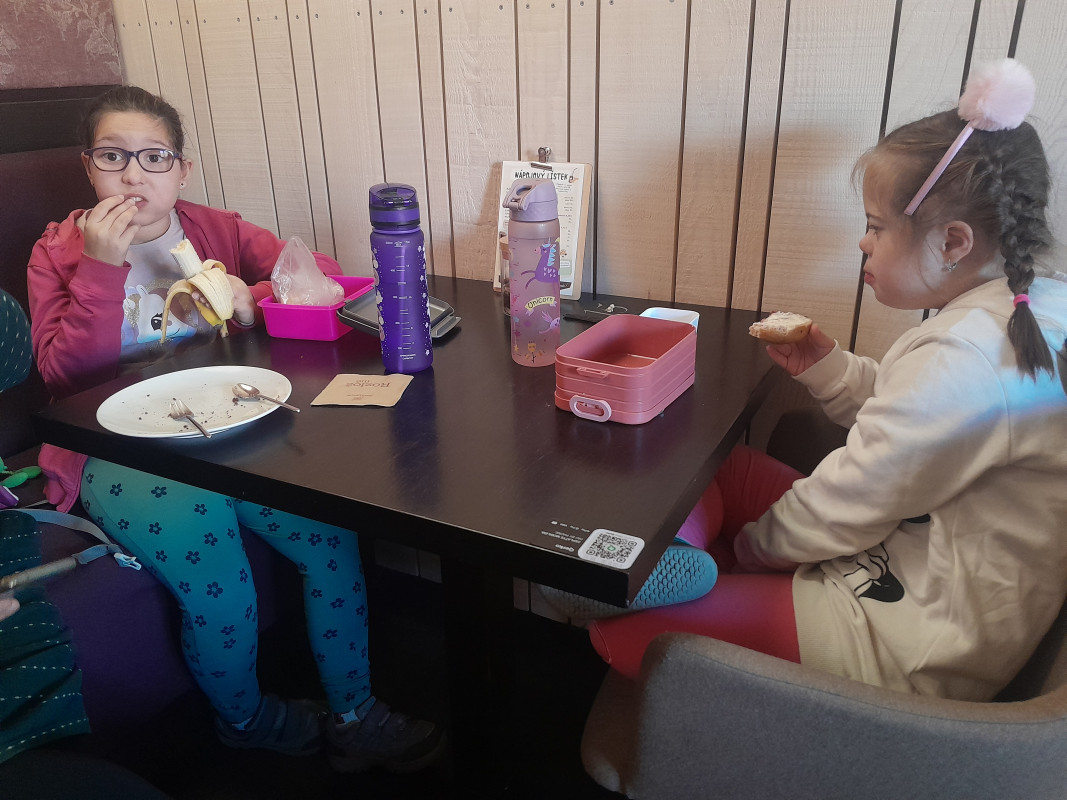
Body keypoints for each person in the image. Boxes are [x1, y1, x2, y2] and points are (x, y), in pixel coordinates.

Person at [552, 59, 1067, 702]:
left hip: (903, 637)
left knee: (619, 633)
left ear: (953, 241)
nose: (863, 244)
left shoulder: (966, 357)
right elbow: (909, 419)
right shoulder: (1022, 312)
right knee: (727, 469)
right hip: (904, 556)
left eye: (876, 227)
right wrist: (829, 368)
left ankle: (685, 570)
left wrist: (747, 553)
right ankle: (676, 566)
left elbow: (849, 502)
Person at [26, 85, 444, 772]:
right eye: (112, 157)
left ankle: (355, 712)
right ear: (88, 167)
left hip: (229, 424)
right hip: (118, 448)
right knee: (222, 589)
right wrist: (101, 269)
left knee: (331, 541)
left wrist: (253, 294)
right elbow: (62, 379)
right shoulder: (59, 251)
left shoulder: (212, 229)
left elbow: (318, 276)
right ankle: (244, 722)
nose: (133, 175)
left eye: (154, 157)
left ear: (181, 171)